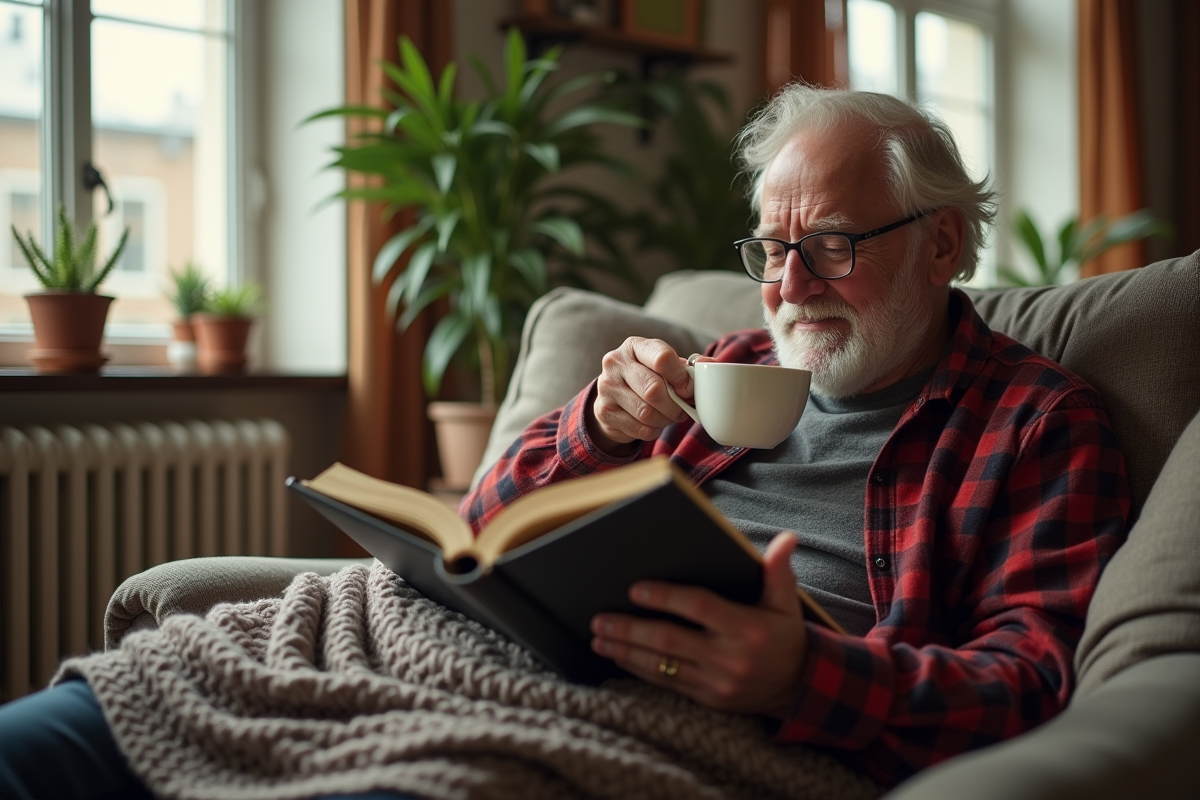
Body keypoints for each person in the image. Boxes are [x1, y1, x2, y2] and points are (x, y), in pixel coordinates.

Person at [460, 85, 1130, 787]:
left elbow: (1034, 682)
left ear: (941, 244)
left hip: (746, 749)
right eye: (773, 251)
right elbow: (477, 536)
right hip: (557, 678)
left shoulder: (1036, 422)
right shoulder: (724, 368)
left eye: (831, 246)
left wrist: (802, 678)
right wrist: (598, 429)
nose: (791, 286)